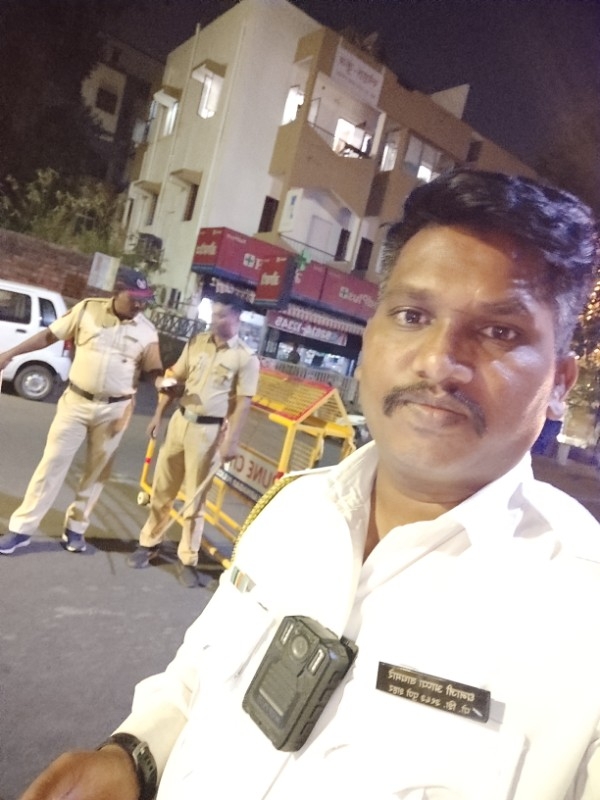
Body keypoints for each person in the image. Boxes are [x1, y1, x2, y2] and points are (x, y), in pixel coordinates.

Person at [17, 170, 600, 800]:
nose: (438, 361)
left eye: (500, 332)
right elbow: (202, 669)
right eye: (412, 315)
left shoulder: (583, 615)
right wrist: (135, 756)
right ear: (370, 338)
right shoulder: (295, 506)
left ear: (560, 384)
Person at [0, 267, 163, 555]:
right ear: (117, 291)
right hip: (75, 402)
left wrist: (163, 383)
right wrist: (11, 353)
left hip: (115, 410)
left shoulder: (147, 331)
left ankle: (76, 528)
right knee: (51, 464)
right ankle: (22, 529)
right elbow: (48, 336)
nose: (140, 305)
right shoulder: (87, 310)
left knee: (96, 472)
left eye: (144, 300)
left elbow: (153, 369)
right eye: (134, 298)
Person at [127, 292, 260, 587]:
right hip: (180, 422)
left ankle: (188, 558)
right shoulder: (197, 343)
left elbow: (243, 404)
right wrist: (158, 414)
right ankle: (149, 543)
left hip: (208, 433)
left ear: (237, 317)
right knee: (162, 489)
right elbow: (174, 376)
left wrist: (231, 441)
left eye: (221, 315)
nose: (214, 320)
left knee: (195, 500)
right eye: (213, 314)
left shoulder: (245, 358)